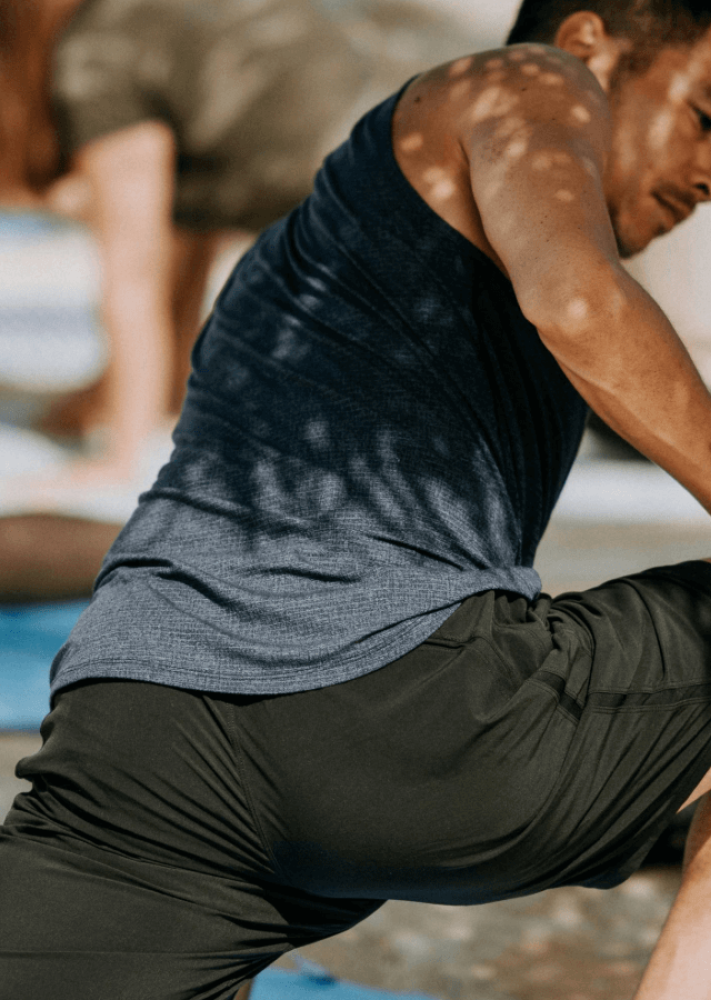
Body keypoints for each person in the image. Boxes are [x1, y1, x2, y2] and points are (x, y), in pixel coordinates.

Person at [4, 2, 711, 998]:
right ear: (588, 45)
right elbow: (581, 304)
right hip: (399, 720)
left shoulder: (319, 256)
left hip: (138, 741)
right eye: (707, 118)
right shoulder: (527, 81)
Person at [0, 0, 472, 602]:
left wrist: (121, 454)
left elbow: (134, 272)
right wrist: (141, 388)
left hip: (380, 177)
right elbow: (189, 232)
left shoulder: (96, 52)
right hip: (441, 132)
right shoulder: (164, 23)